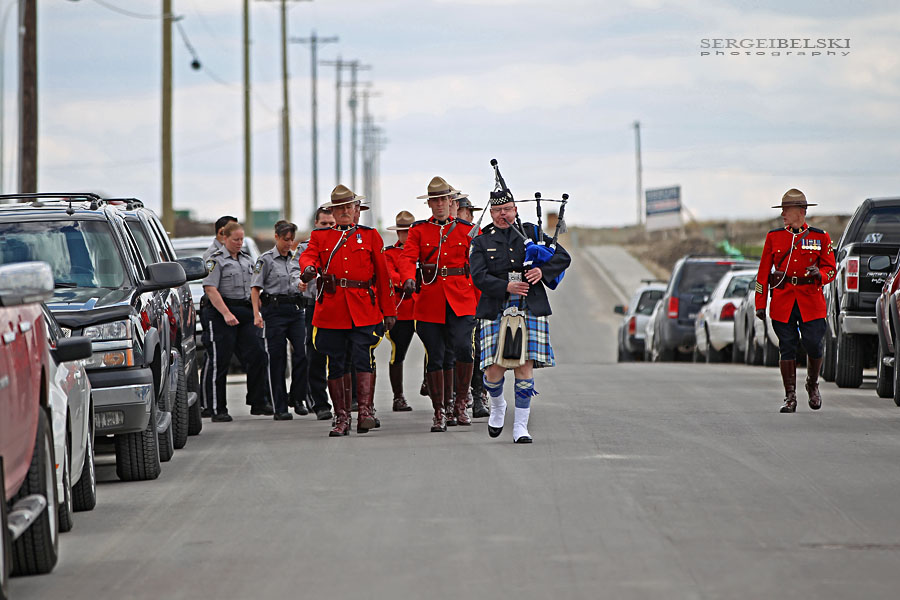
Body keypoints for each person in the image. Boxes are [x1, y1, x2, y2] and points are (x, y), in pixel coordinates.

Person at [469, 191, 570, 443]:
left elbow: (563, 257)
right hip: (495, 306)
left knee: (524, 365)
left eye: (508, 209)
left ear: (516, 209)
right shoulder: (481, 241)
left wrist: (541, 270)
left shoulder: (532, 234)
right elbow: (478, 276)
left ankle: (521, 427)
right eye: (497, 211)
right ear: (491, 213)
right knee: (494, 369)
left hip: (529, 306)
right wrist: (506, 286)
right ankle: (498, 405)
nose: (503, 215)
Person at [298, 185, 397, 436]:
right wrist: (309, 269)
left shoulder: (371, 235)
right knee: (337, 362)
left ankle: (365, 411)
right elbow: (308, 257)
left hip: (363, 306)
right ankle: (341, 417)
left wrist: (389, 310)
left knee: (363, 357)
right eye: (339, 208)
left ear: (356, 210)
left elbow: (383, 276)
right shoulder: (321, 237)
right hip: (333, 309)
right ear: (333, 211)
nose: (344, 211)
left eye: (348, 207)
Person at [399, 176, 479, 432]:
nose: (440, 204)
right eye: (435, 201)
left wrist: (481, 301)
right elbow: (407, 257)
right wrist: (409, 278)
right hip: (431, 299)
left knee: (463, 348)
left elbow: (477, 267)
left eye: (444, 199)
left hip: (462, 298)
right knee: (437, 357)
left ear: (451, 202)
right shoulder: (419, 230)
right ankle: (439, 411)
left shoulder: (467, 231)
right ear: (430, 204)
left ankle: (460, 403)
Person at [755, 189, 836, 413]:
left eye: (786, 210)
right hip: (784, 300)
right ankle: (790, 396)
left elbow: (831, 268)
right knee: (787, 347)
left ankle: (812, 384)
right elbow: (762, 274)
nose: (782, 214)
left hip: (811, 300)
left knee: (813, 343)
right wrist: (760, 304)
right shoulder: (774, 237)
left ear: (801, 212)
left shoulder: (820, 237)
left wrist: (821, 275)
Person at [202, 222, 270, 422]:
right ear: (224, 237)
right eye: (235, 239)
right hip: (222, 313)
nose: (240, 243)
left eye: (242, 239)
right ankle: (217, 408)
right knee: (220, 360)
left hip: (245, 311)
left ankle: (258, 402)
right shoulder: (215, 261)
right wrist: (225, 313)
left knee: (258, 354)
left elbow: (254, 288)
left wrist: (257, 314)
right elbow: (210, 289)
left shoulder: (247, 260)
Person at [251, 220, 307, 421]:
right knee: (277, 360)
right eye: (285, 239)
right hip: (274, 312)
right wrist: (256, 314)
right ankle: (280, 406)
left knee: (303, 353)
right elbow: (255, 288)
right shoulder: (265, 260)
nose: (289, 243)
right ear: (276, 237)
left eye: (291, 240)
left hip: (295, 309)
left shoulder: (296, 259)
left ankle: (298, 397)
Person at [293, 206, 335, 420]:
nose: (328, 227)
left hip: (338, 305)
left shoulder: (341, 244)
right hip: (314, 304)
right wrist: (300, 281)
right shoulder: (305, 248)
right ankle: (320, 403)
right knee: (315, 353)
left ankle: (348, 401)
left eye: (331, 224)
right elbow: (294, 271)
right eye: (324, 224)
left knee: (343, 354)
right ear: (315, 225)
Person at [200, 215, 237, 418]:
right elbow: (210, 287)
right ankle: (211, 405)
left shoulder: (238, 252)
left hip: (234, 310)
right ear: (222, 232)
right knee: (214, 359)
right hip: (216, 310)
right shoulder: (212, 255)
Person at [456, 195, 490, 419]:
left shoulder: (478, 235)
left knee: (479, 348)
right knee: (454, 347)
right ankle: (456, 395)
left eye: (464, 212)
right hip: (456, 299)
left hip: (477, 299)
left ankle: (479, 393)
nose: (462, 216)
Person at [384, 211, 417, 412]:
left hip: (423, 308)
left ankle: (430, 385)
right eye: (403, 231)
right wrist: (404, 280)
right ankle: (398, 397)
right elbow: (389, 274)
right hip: (402, 310)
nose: (406, 234)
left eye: (410, 231)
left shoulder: (423, 251)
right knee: (398, 353)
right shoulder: (390, 253)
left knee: (436, 350)